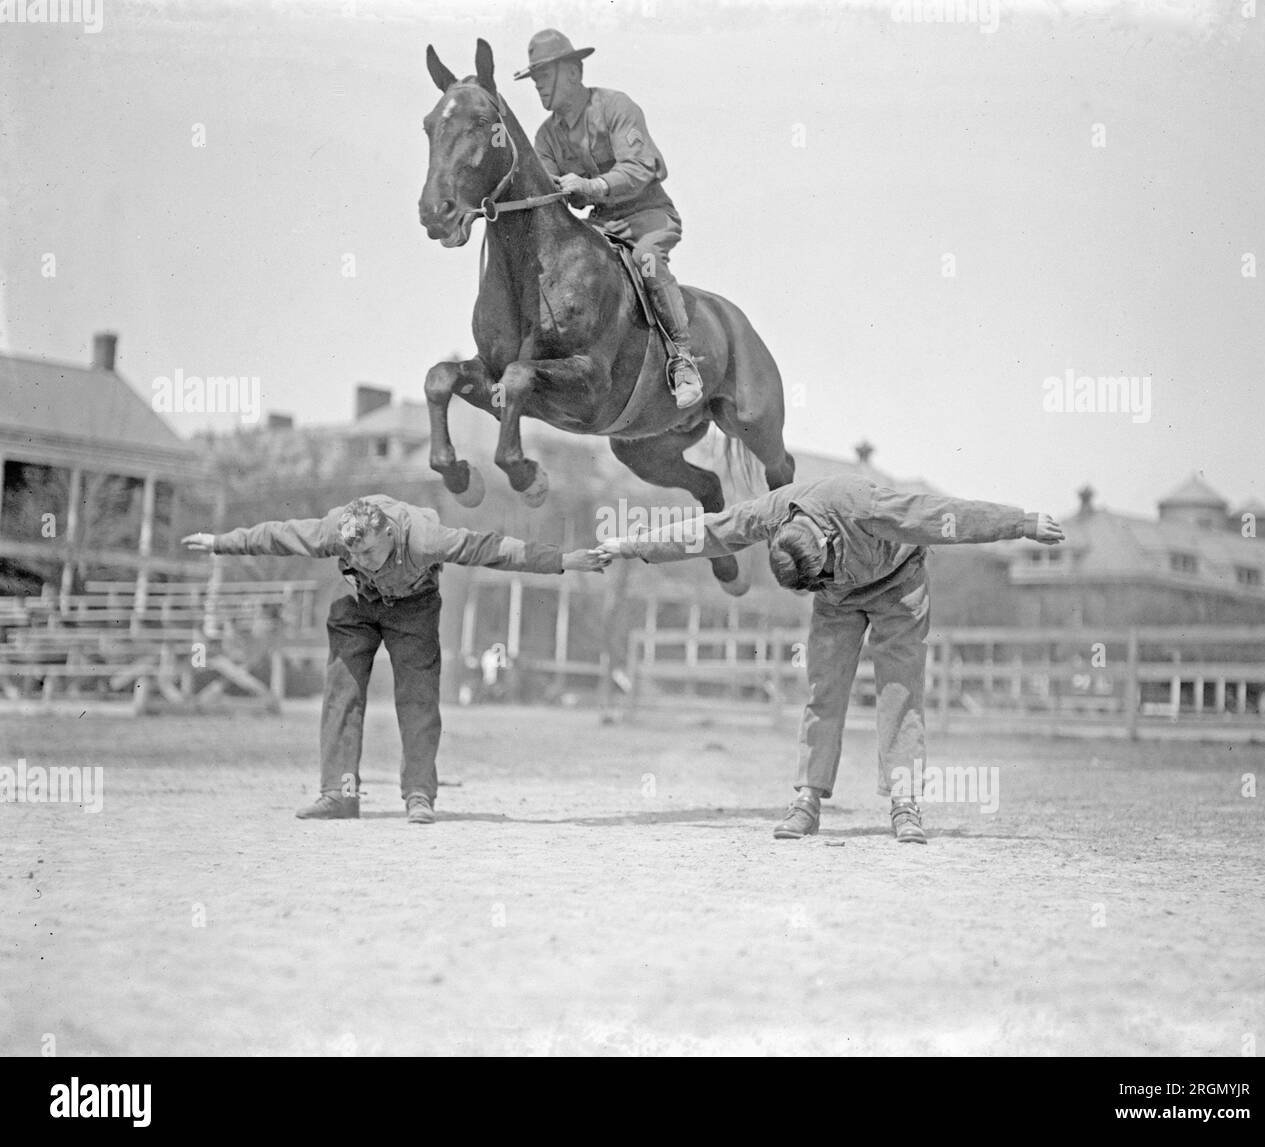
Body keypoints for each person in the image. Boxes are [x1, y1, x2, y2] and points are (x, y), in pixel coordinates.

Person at [597, 476, 1065, 842]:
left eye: (814, 577)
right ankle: (807, 801)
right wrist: (630, 546)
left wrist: (1021, 523)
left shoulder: (862, 506)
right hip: (838, 602)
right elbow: (711, 532)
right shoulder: (773, 513)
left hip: (898, 586)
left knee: (899, 691)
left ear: (822, 546)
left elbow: (943, 515)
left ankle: (904, 803)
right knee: (823, 690)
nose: (813, 585)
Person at [183, 496, 609, 824]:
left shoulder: (425, 538)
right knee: (341, 694)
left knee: (418, 698)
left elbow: (493, 549)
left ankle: (419, 794)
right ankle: (339, 793)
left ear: (388, 533)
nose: (362, 562)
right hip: (355, 606)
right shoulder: (337, 533)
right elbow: (276, 535)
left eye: (368, 552)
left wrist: (563, 560)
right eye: (353, 556)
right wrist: (220, 542)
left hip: (414, 607)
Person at [515, 28, 705, 410]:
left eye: (543, 75)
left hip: (647, 217)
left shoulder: (616, 106)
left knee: (646, 260)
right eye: (534, 78)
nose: (537, 86)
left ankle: (682, 360)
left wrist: (590, 186)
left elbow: (639, 168)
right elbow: (549, 198)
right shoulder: (545, 137)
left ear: (572, 72)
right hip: (601, 225)